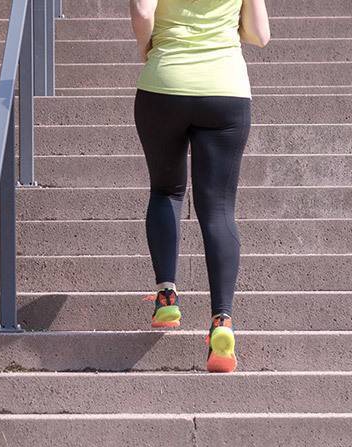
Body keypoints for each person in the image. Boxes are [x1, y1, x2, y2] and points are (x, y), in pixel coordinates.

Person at [129, 0, 270, 373]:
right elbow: (260, 34)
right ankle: (221, 322)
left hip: (164, 84)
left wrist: (150, 48)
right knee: (219, 210)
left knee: (165, 191)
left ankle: (167, 297)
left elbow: (143, 13)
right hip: (225, 89)